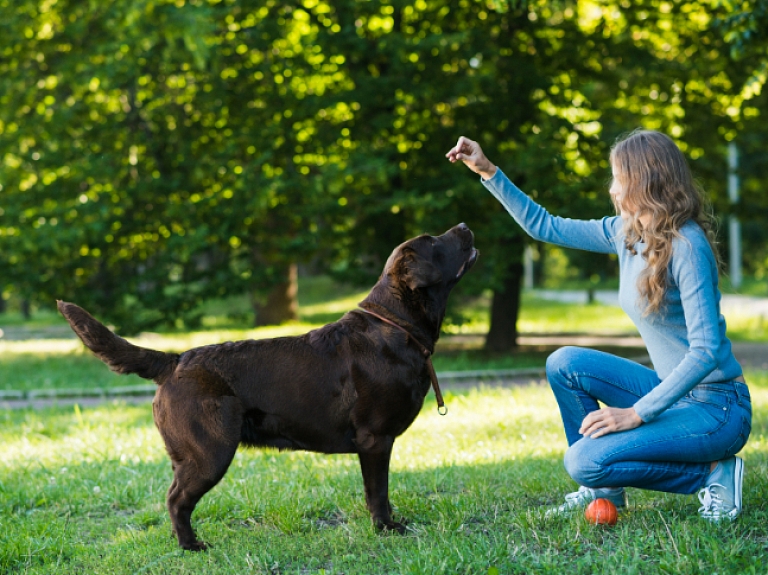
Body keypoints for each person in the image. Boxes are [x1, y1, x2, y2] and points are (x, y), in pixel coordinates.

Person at [446, 130, 752, 520]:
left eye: (618, 178)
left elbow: (706, 351)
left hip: (718, 408)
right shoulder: (626, 234)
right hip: (673, 393)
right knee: (565, 363)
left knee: (582, 460)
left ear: (645, 181)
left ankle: (715, 471)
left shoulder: (688, 247)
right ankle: (603, 488)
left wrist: (636, 413)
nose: (612, 189)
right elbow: (546, 226)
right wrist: (488, 171)